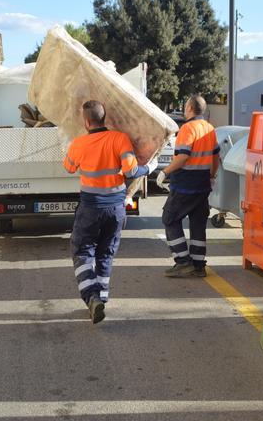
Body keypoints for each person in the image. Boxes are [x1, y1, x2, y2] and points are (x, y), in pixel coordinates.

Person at [64, 100, 157, 323]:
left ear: (87, 122)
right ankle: (101, 300)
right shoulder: (120, 139)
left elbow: (68, 167)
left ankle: (92, 297)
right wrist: (150, 168)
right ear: (104, 118)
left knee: (82, 251)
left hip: (90, 207)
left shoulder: (79, 144)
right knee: (106, 252)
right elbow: (131, 170)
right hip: (116, 208)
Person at [157, 95, 219, 278]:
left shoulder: (187, 128)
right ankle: (199, 265)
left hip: (185, 184)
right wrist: (212, 175)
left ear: (190, 108)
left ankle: (183, 261)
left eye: (185, 106)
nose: (184, 110)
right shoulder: (209, 128)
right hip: (202, 184)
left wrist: (165, 172)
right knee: (198, 223)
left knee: (170, 219)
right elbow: (216, 156)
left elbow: (183, 157)